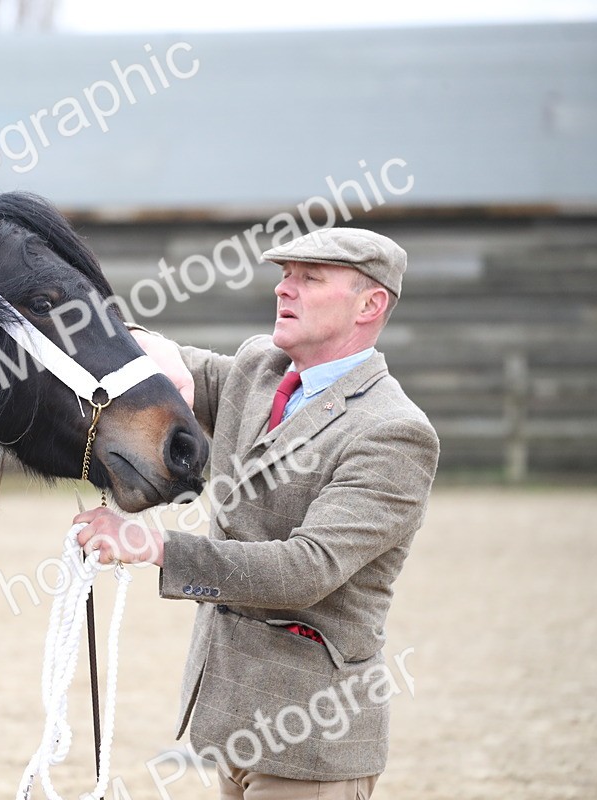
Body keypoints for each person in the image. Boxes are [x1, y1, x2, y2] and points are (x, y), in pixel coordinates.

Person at [75, 228, 439, 799]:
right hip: (231, 725)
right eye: (285, 274)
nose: (283, 290)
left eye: (309, 279)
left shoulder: (394, 431)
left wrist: (153, 546)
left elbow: (306, 569)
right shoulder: (259, 368)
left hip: (314, 740)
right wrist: (84, 324)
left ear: (370, 305)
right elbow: (172, 368)